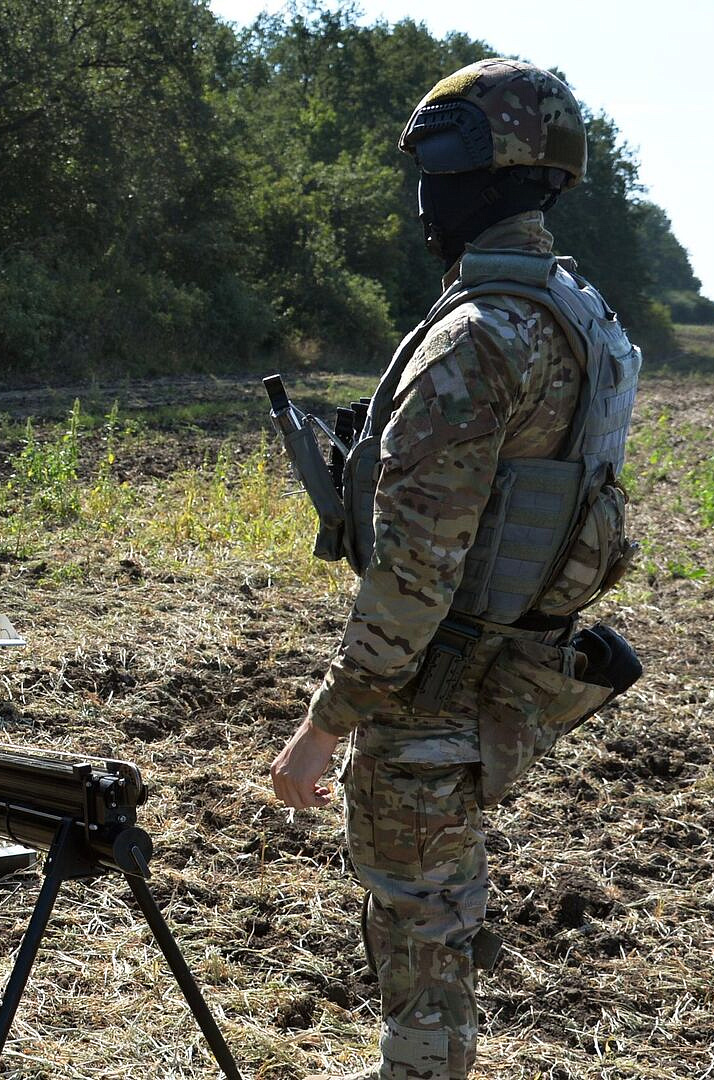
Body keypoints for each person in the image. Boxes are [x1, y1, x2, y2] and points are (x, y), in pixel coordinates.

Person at [269, 59, 642, 1080]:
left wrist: (324, 726)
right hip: (497, 671)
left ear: (485, 175)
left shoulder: (480, 338)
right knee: (431, 910)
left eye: (436, 168)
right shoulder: (583, 318)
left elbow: (415, 576)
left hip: (432, 684)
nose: (423, 196)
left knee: (418, 916)